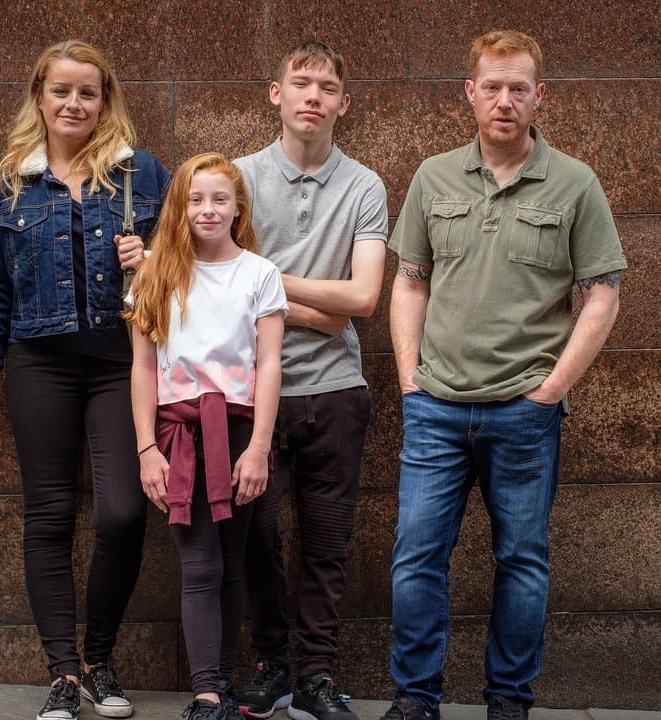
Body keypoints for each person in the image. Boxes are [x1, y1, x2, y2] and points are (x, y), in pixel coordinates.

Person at [382, 30, 626, 720]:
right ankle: (415, 699)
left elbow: (603, 294)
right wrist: (409, 381)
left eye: (519, 88)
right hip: (436, 407)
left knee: (521, 561)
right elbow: (409, 282)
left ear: (539, 96)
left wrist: (551, 390)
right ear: (470, 93)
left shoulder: (575, 182)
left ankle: (509, 701)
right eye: (491, 86)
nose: (504, 100)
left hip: (524, 411)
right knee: (415, 558)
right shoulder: (434, 176)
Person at [0, 39, 170, 720]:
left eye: (88, 92)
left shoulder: (141, 173)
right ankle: (64, 673)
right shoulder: (7, 185)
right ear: (39, 98)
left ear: (106, 101)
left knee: (123, 512)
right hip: (39, 362)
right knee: (47, 516)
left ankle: (100, 661)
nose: (75, 103)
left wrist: (151, 259)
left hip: (120, 363)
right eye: (62, 91)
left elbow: (193, 265)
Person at [233, 41, 389, 720]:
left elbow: (363, 299)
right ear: (276, 93)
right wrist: (314, 309)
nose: (313, 97)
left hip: (335, 389)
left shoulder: (364, 186)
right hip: (250, 390)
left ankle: (316, 677)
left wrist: (264, 281)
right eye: (301, 83)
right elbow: (217, 281)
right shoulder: (237, 178)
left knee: (327, 543)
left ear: (343, 104)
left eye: (327, 88)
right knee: (256, 538)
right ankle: (271, 666)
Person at [126, 153, 287, 720]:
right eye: (195, 199)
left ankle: (221, 685)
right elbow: (143, 368)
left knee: (232, 560)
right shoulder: (156, 274)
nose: (207, 209)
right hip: (180, 432)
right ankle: (207, 694)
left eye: (220, 198)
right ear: (180, 206)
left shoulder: (260, 274)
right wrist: (147, 449)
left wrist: (259, 447)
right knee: (200, 563)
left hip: (239, 429)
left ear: (238, 206)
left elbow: (269, 365)